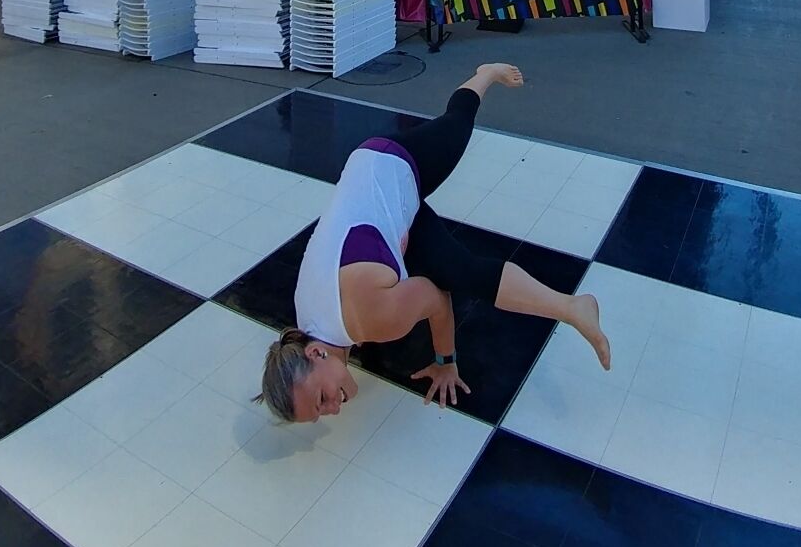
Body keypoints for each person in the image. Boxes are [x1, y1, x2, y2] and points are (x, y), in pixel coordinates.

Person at [259, 63, 610, 423]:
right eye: (322, 413)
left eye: (321, 400)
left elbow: (437, 300)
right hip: (378, 202)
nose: (332, 409)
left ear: (316, 354)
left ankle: (484, 74)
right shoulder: (303, 326)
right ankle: (572, 306)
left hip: (391, 163)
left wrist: (446, 362)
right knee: (463, 269)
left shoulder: (375, 319)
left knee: (456, 124)